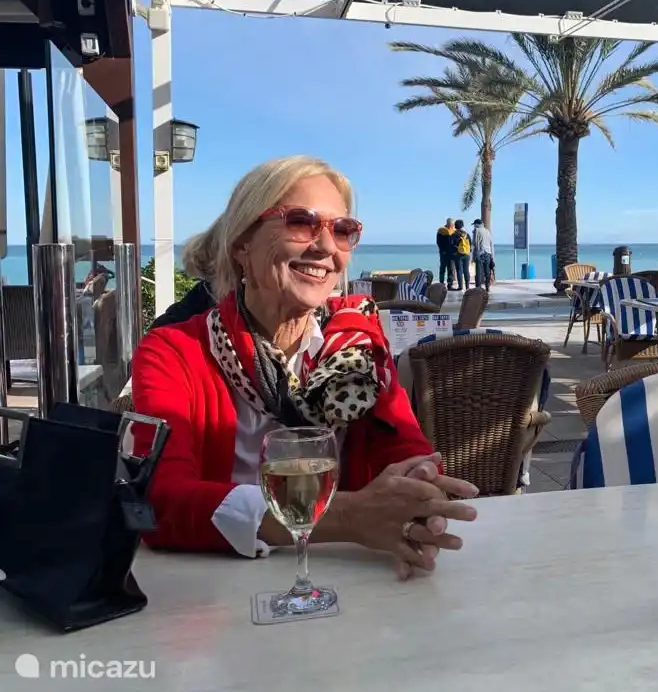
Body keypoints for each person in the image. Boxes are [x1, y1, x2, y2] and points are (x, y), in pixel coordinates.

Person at [130, 156, 479, 580]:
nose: (327, 248)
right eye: (301, 222)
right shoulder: (173, 351)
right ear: (242, 243)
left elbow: (403, 446)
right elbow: (158, 500)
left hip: (345, 581)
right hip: (215, 592)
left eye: (343, 230)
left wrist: (419, 484)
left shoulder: (357, 345)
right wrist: (348, 518)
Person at [471, 219, 494, 290]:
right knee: (487, 271)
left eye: (474, 225)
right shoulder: (487, 231)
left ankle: (478, 287)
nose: (474, 226)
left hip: (480, 253)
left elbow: (474, 243)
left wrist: (472, 256)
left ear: (477, 224)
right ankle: (487, 286)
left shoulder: (476, 230)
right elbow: (491, 243)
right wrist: (492, 256)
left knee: (478, 271)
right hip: (488, 253)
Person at [451, 219, 472, 291]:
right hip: (466, 254)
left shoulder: (454, 234)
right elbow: (470, 244)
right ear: (462, 225)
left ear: (456, 226)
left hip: (458, 255)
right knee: (466, 270)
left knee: (459, 270)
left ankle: (460, 286)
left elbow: (452, 245)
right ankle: (467, 286)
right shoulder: (467, 234)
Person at [435, 218, 455, 288]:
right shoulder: (441, 231)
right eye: (451, 224)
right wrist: (442, 250)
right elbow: (438, 242)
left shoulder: (454, 231)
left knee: (451, 269)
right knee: (442, 267)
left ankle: (450, 284)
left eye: (453, 224)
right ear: (447, 223)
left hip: (451, 253)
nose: (452, 226)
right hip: (443, 253)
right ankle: (441, 282)